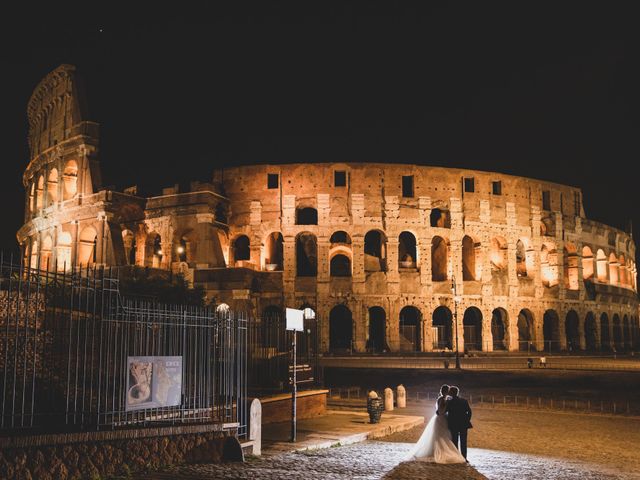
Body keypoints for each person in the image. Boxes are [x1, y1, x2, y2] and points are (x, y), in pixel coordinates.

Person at [406, 384, 466, 464]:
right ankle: (442, 451)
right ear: (446, 391)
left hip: (442, 418)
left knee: (444, 435)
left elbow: (439, 411)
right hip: (442, 418)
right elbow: (441, 411)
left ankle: (443, 450)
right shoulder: (443, 399)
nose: (449, 393)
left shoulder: (443, 399)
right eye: (448, 391)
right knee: (441, 436)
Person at [446, 385, 472, 460]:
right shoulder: (464, 401)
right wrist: (467, 420)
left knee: (455, 441)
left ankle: (456, 457)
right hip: (463, 424)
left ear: (452, 393)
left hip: (453, 424)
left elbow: (446, 411)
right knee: (463, 442)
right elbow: (469, 412)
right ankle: (464, 457)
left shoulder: (449, 402)